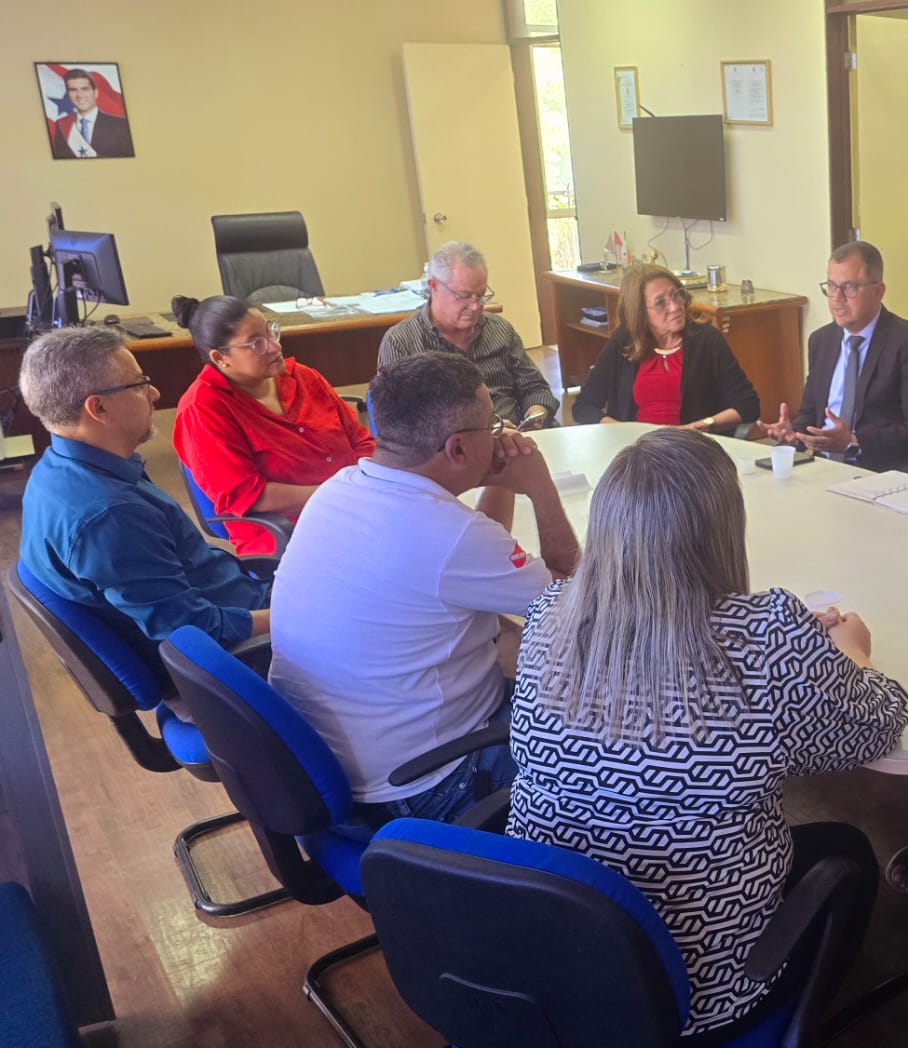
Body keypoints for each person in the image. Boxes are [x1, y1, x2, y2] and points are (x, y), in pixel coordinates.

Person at [507, 428, 908, 1037]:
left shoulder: (547, 616)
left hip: (551, 969)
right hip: (689, 1001)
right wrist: (850, 654)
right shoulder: (767, 634)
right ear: (723, 526)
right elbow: (881, 723)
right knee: (846, 849)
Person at [268, 352, 579, 831]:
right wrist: (537, 486)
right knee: (609, 736)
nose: (499, 435)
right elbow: (574, 601)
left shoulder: (339, 488)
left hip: (319, 766)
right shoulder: (448, 537)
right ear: (456, 448)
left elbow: (474, 569)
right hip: (425, 786)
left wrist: (498, 484)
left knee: (516, 648)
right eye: (491, 425)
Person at [17, 326, 269, 669]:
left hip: (235, 598)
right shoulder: (111, 516)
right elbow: (196, 630)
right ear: (99, 408)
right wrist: (295, 617)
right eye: (138, 384)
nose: (154, 393)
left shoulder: (58, 469)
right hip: (248, 648)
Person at [171, 294, 375, 556]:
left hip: (355, 509)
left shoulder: (303, 376)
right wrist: (337, 494)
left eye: (271, 332)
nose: (274, 347)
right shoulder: (202, 409)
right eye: (257, 343)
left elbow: (360, 441)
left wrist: (368, 487)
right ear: (221, 358)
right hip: (290, 536)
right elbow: (250, 495)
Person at [757, 241, 908, 469]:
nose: (837, 298)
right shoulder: (822, 340)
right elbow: (810, 413)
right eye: (832, 287)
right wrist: (794, 433)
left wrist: (853, 442)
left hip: (878, 469)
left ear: (878, 291)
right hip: (821, 465)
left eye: (849, 288)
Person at [378, 241, 561, 431]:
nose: (475, 307)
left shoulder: (499, 329)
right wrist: (486, 431)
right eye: (464, 296)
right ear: (433, 286)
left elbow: (534, 387)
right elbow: (398, 424)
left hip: (515, 437)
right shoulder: (402, 342)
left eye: (481, 295)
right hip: (447, 451)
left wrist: (535, 416)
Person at [571, 264, 760, 430]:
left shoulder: (707, 340)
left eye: (677, 295)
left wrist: (700, 426)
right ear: (640, 313)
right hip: (636, 451)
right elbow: (584, 406)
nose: (675, 306)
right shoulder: (623, 343)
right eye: (661, 303)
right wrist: (622, 431)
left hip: (694, 449)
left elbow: (747, 405)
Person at [49, 68, 134, 159]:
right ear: (68, 95)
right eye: (73, 90)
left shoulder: (121, 125)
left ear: (95, 93)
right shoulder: (62, 125)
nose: (79, 95)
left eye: (84, 89)